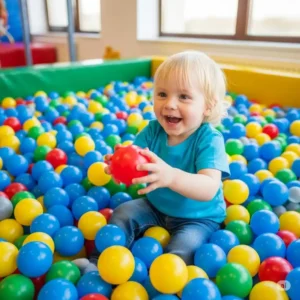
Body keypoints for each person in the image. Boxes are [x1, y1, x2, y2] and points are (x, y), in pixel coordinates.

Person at [74, 51, 230, 273]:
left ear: (208, 106)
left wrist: (171, 176)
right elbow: (137, 162)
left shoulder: (209, 139)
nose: (170, 104)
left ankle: (162, 287)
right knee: (122, 213)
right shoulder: (153, 131)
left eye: (183, 97)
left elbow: (208, 188)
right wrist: (119, 165)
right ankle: (98, 265)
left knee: (183, 249)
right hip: (155, 206)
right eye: (162, 94)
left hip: (198, 217)